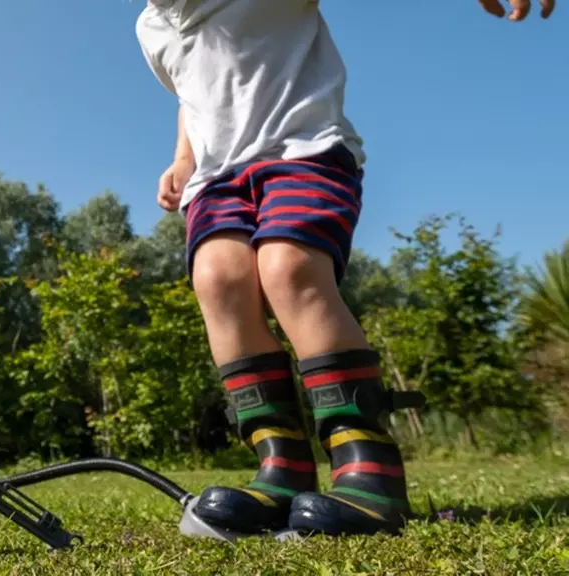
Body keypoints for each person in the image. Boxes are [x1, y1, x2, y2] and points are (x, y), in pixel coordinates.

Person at [135, 0, 555, 537]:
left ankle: (368, 467)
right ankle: (280, 466)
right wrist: (183, 158)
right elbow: (188, 93)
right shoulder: (151, 26)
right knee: (219, 281)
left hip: (302, 150)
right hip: (215, 179)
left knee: (288, 267)